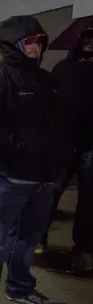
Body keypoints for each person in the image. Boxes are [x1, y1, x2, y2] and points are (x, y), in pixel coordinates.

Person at [0, 15, 68, 304]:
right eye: (29, 42)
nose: (36, 47)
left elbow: (56, 125)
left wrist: (57, 159)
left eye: (39, 41)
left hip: (43, 177)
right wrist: (19, 149)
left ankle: (20, 288)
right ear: (13, 45)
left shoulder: (46, 80)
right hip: (6, 174)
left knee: (27, 239)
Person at [48, 26, 93, 272]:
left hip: (90, 145)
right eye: (86, 38)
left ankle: (83, 250)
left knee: (88, 200)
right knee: (50, 193)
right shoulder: (63, 69)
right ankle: (36, 240)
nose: (90, 42)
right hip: (64, 143)